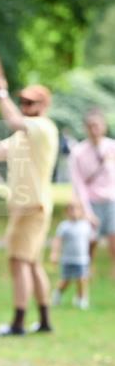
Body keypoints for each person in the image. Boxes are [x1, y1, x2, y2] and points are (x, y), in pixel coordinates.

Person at [0, 34, 59, 336]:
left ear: (42, 105)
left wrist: (1, 95)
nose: (24, 105)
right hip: (27, 204)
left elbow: (14, 121)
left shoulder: (42, 128)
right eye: (22, 101)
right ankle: (45, 320)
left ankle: (18, 322)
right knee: (32, 263)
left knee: (17, 262)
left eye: (29, 102)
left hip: (30, 205)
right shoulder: (24, 135)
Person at [69, 108, 115, 277]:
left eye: (97, 125)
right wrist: (86, 211)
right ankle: (86, 274)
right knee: (90, 241)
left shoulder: (112, 147)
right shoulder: (78, 152)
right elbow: (78, 183)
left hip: (111, 200)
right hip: (91, 201)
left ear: (103, 126)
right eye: (90, 126)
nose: (94, 129)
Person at [50, 202, 93, 309]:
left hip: (82, 259)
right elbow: (58, 240)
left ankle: (81, 299)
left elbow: (91, 242)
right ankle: (58, 294)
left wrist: (91, 258)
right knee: (66, 280)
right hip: (67, 259)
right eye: (71, 209)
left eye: (77, 209)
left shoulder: (85, 226)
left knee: (82, 279)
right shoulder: (64, 226)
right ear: (67, 212)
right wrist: (55, 253)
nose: (74, 212)